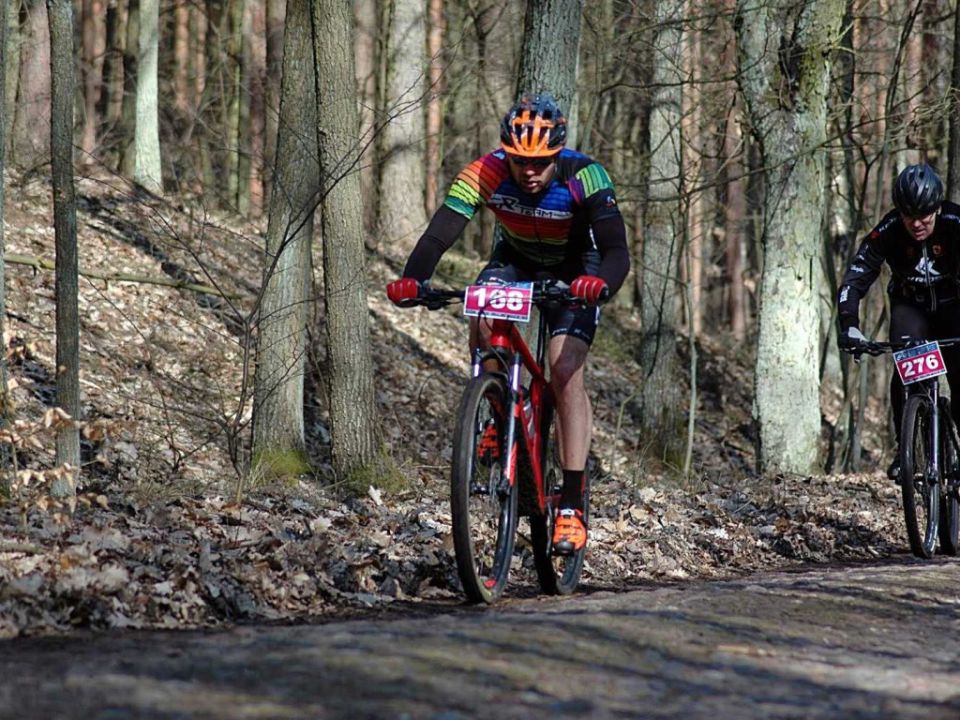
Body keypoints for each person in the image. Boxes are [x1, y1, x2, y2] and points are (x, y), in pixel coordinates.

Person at [386, 93, 630, 554]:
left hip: (577, 270)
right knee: (482, 316)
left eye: (540, 162)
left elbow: (617, 249)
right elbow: (440, 231)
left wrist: (601, 283)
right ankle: (497, 410)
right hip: (515, 262)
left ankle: (572, 504)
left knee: (563, 368)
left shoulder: (586, 175)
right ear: (507, 154)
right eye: (520, 161)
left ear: (557, 154)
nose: (529, 171)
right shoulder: (484, 172)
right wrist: (414, 279)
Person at [837, 163, 960, 478]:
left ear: (937, 208)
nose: (916, 223)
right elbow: (856, 277)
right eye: (909, 216)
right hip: (911, 307)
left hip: (953, 307)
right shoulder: (889, 229)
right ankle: (904, 449)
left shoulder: (954, 222)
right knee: (905, 373)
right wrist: (849, 323)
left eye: (924, 216)